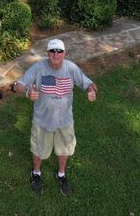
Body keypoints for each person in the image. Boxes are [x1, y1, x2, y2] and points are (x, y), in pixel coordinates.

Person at [13, 38, 97, 196]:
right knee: (39, 150)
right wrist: (27, 92)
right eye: (52, 51)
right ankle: (36, 173)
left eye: (59, 51)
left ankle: (61, 175)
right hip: (42, 120)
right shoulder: (38, 68)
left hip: (65, 121)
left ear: (64, 53)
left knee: (63, 149)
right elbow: (18, 85)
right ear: (47, 53)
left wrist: (92, 90)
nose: (56, 54)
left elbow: (89, 83)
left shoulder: (71, 68)